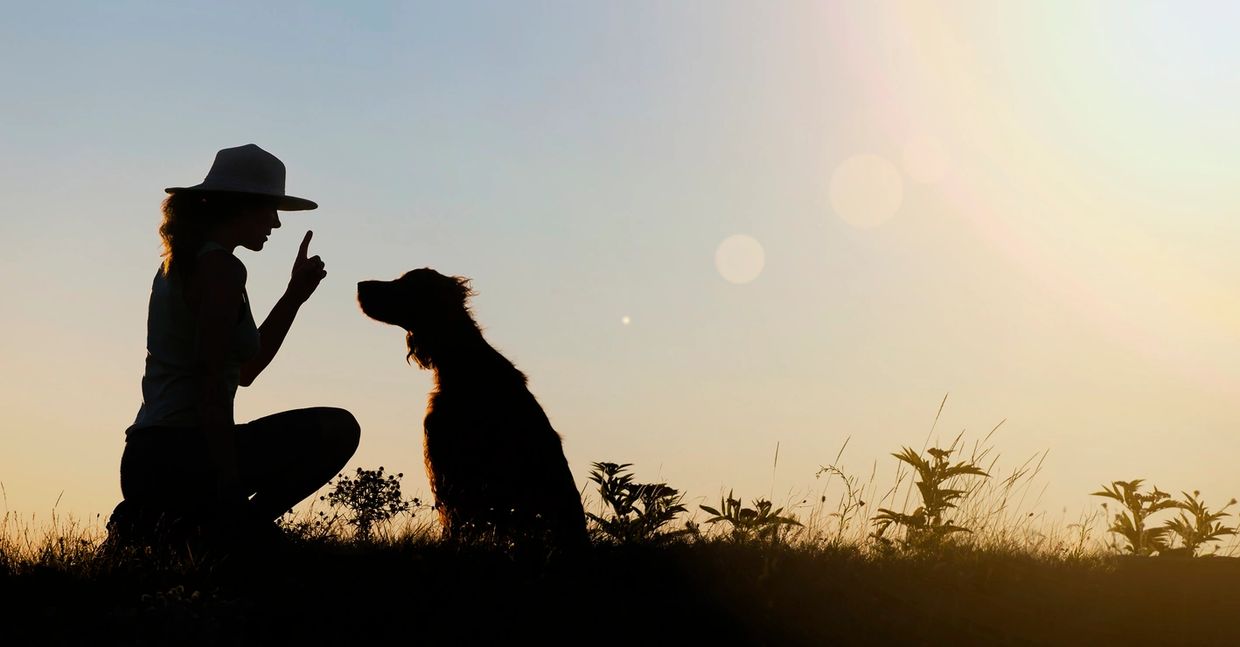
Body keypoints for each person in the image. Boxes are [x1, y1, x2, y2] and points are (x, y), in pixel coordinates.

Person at [108, 144, 360, 551]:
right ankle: (233, 528)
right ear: (240, 207)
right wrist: (228, 483)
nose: (276, 223)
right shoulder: (222, 269)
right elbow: (210, 384)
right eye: (269, 209)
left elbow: (244, 373)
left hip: (151, 456)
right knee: (338, 428)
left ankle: (185, 525)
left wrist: (294, 296)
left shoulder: (184, 263)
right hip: (183, 450)